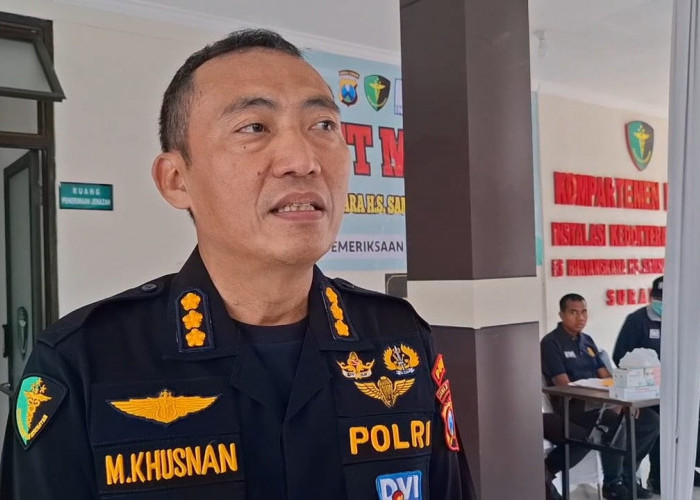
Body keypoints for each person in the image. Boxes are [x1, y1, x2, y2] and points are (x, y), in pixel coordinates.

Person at [0, 29, 474, 499]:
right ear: (176, 180)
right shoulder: (84, 361)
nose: (302, 160)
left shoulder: (400, 341)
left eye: (324, 125)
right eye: (254, 127)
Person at [541, 293, 659, 499]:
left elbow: (606, 376)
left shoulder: (587, 342)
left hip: (601, 404)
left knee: (650, 421)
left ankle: (627, 475)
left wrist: (622, 399)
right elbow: (564, 385)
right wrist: (609, 404)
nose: (580, 317)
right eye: (573, 312)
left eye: (584, 312)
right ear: (561, 314)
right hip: (573, 407)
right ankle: (612, 484)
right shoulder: (551, 343)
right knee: (614, 421)